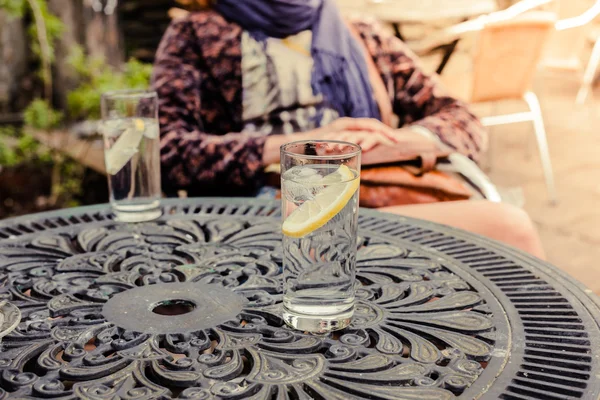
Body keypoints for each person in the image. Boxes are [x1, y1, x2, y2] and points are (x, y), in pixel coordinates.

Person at [152, 0, 544, 259]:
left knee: (511, 229)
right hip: (274, 208)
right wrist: (296, 147)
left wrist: (386, 139)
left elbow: (462, 119)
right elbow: (167, 149)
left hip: (377, 195)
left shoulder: (360, 32)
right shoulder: (196, 34)